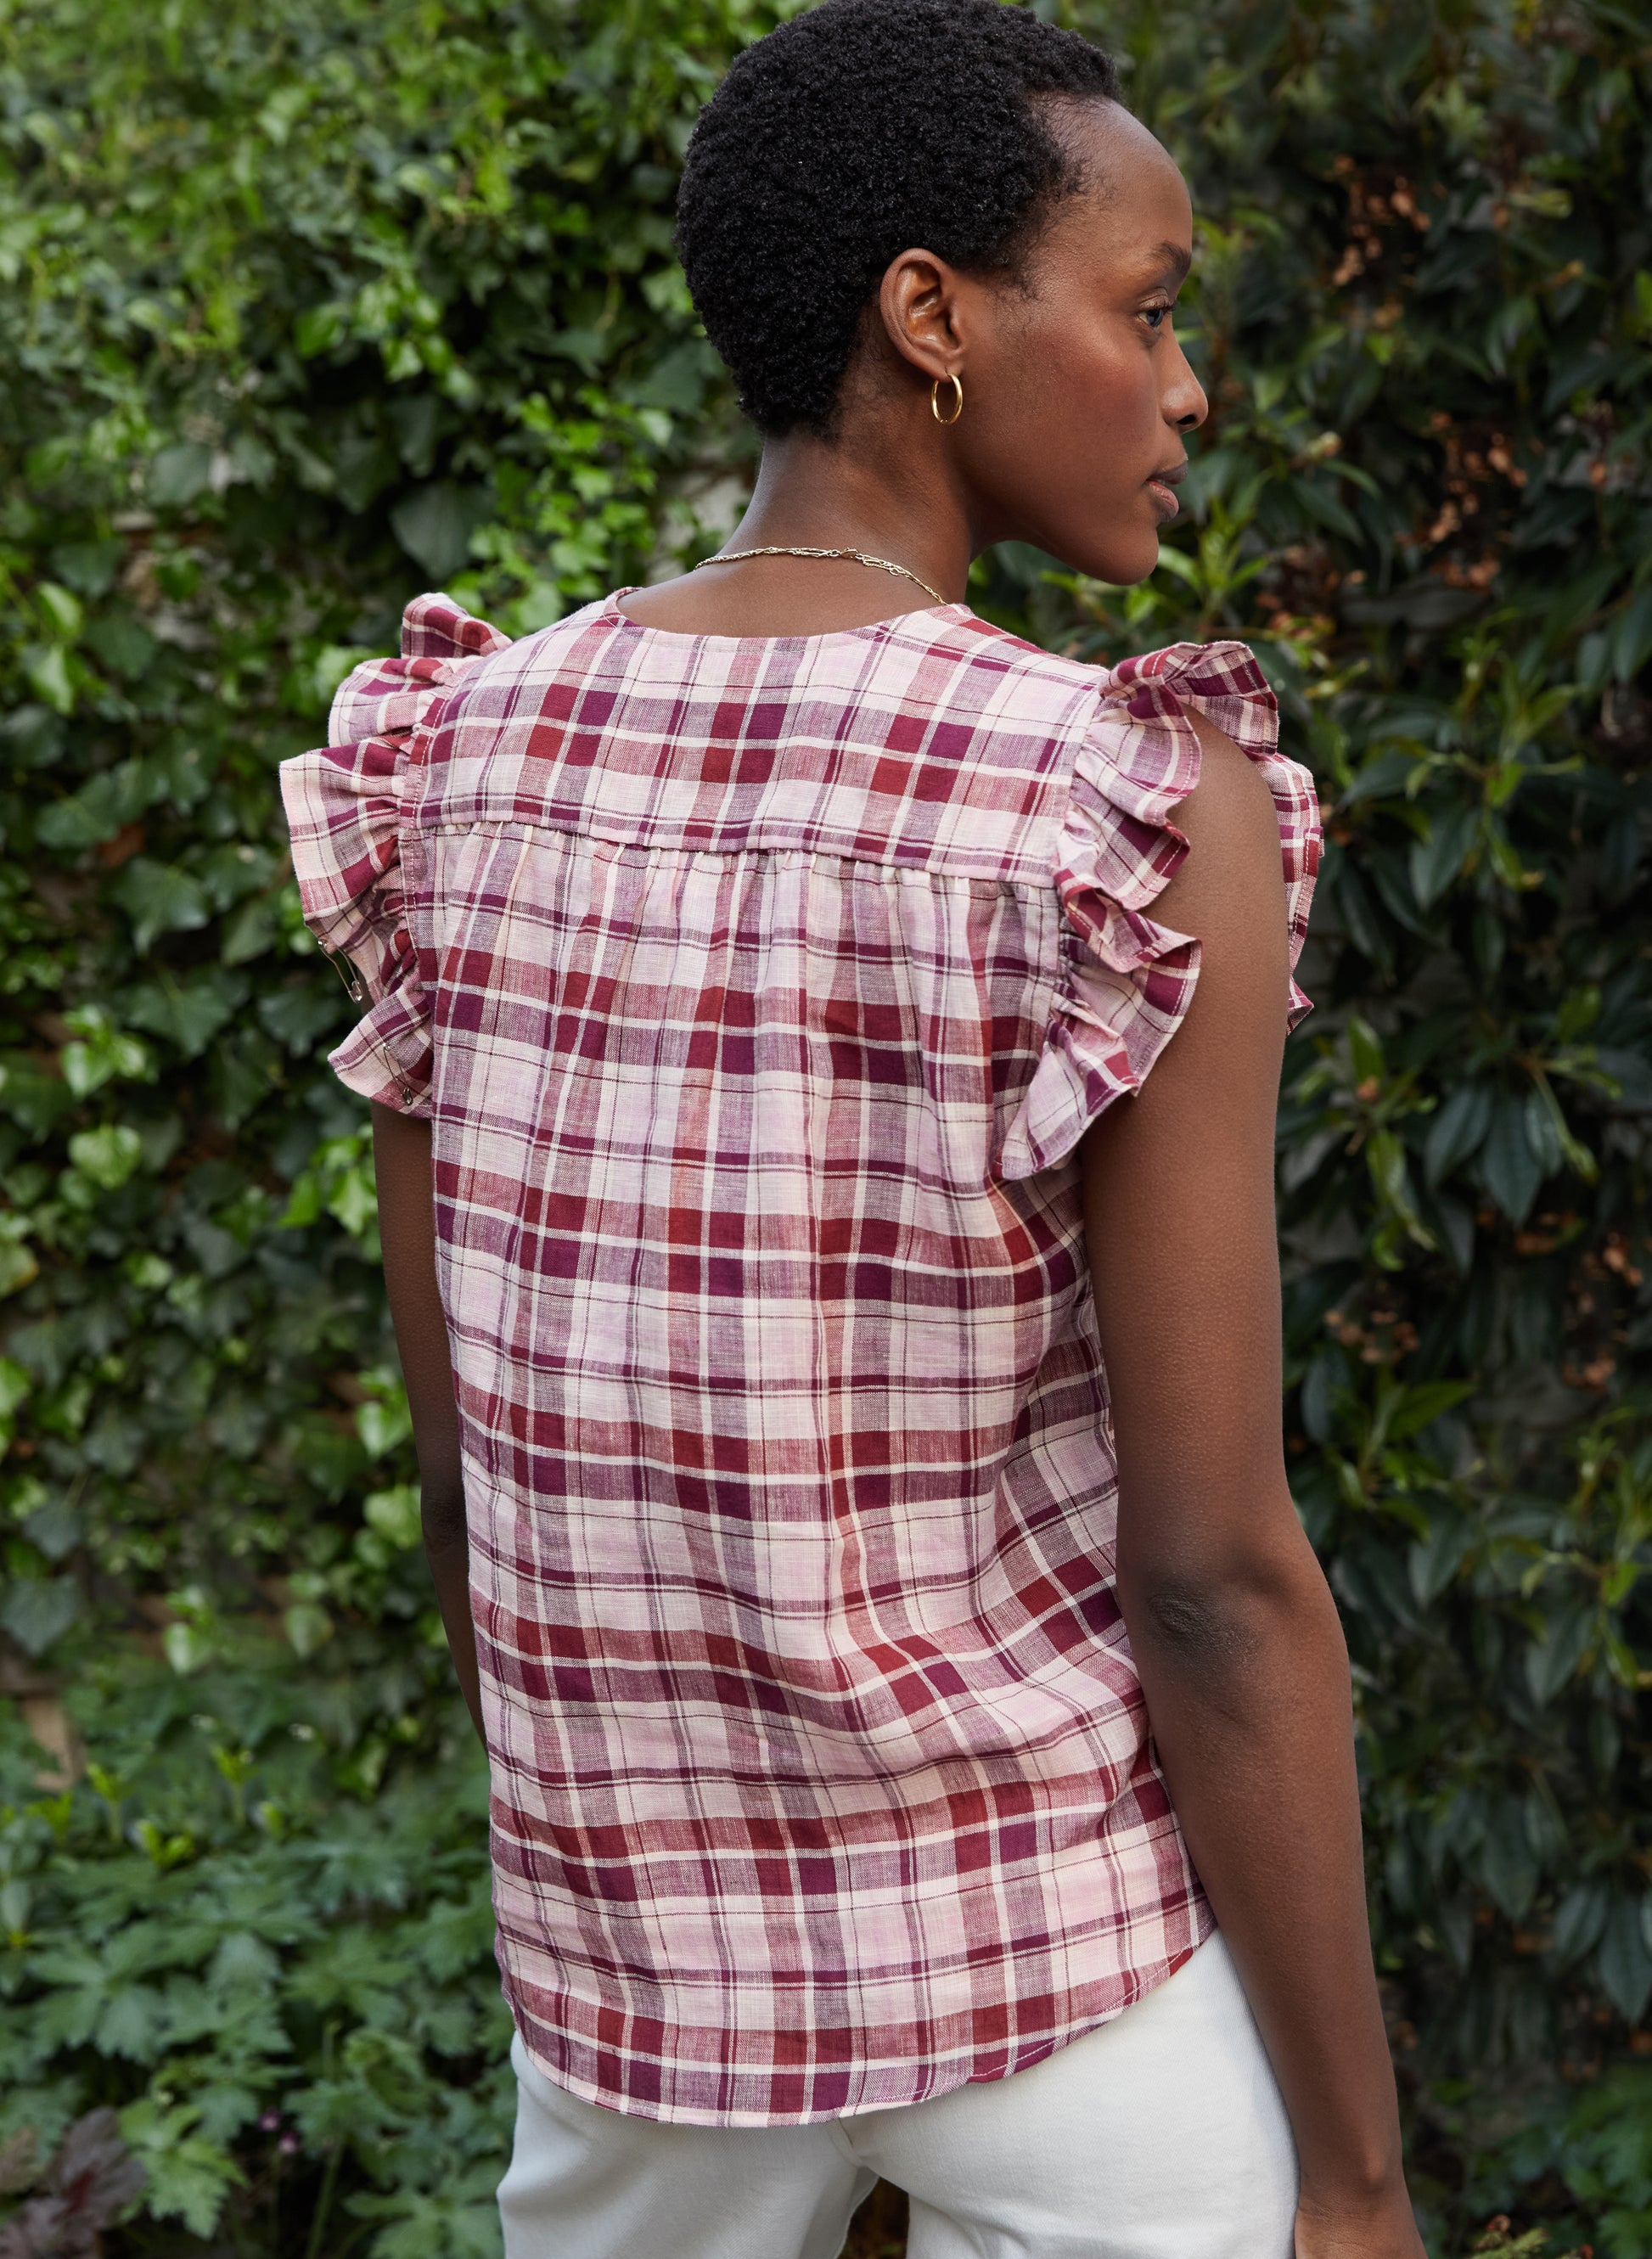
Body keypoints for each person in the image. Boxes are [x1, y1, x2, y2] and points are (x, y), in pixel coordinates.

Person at [281, 3, 1425, 2254]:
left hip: (634, 2004)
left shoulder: (457, 762)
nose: (1190, 387)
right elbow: (1210, 1574)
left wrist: (639, 1892)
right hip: (1043, 1973)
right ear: (930, 315)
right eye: (1149, 310)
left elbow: (468, 1472)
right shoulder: (1109, 804)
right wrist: (1359, 2181)